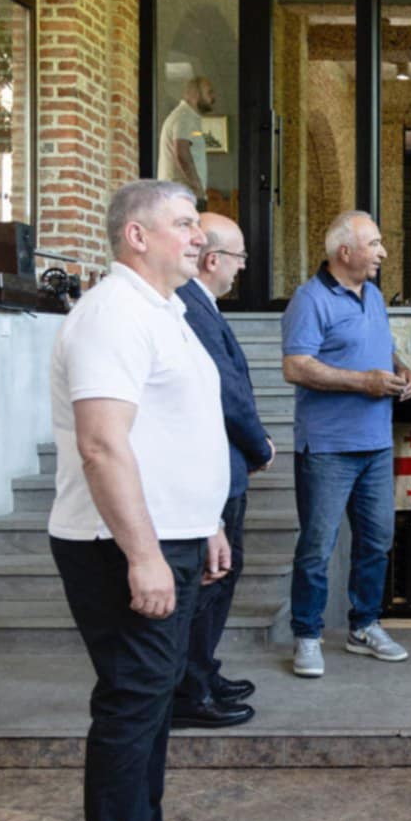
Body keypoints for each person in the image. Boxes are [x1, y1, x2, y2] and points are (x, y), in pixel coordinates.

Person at [47, 179, 232, 821]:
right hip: (118, 543)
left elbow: (173, 430)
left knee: (154, 706)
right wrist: (146, 553)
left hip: (172, 536)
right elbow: (102, 443)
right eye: (183, 224)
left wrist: (206, 520)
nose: (199, 237)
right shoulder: (113, 313)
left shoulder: (166, 310)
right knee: (130, 708)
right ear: (136, 235)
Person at [281, 210, 411, 678]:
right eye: (374, 244)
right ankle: (307, 634)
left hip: (376, 444)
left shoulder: (373, 295)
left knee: (377, 541)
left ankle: (364, 627)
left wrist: (400, 368)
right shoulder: (309, 300)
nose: (383, 252)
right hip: (327, 448)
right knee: (317, 548)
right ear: (345, 252)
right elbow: (296, 366)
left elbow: (379, 346)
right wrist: (364, 382)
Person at [168, 212, 272, 728]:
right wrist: (260, 446)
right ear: (213, 260)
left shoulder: (197, 304)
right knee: (209, 583)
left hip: (223, 466)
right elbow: (227, 392)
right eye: (239, 257)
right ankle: (190, 690)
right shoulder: (189, 307)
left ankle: (203, 672)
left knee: (220, 580)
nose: (243, 267)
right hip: (216, 467)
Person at [156, 76, 215, 208]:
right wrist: (197, 187)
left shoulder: (188, 117)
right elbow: (182, 153)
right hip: (182, 196)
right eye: (209, 92)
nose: (213, 97)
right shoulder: (185, 116)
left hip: (179, 195)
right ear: (196, 94)